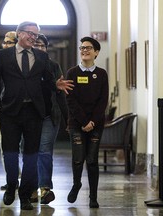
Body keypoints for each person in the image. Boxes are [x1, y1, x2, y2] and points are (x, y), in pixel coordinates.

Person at [0, 21, 73, 210]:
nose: (33, 38)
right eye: (30, 34)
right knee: (10, 154)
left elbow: (48, 82)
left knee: (31, 156)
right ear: (19, 34)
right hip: (9, 112)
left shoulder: (41, 57)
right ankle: (11, 185)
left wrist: (56, 86)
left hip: (34, 112)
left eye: (36, 35)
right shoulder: (3, 56)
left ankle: (25, 195)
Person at [66, 36, 109, 208]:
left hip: (96, 124)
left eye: (88, 48)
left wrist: (92, 121)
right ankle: (76, 184)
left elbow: (103, 101)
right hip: (77, 123)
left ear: (96, 52)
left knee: (92, 160)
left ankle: (93, 197)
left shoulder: (102, 74)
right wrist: (84, 121)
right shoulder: (72, 73)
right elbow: (70, 100)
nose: (84, 50)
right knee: (78, 158)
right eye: (82, 47)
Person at [29, 33, 68, 204]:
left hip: (49, 115)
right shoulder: (23, 66)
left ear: (46, 48)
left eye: (42, 45)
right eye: (36, 45)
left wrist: (68, 118)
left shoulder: (53, 66)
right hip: (28, 115)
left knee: (44, 151)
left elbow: (60, 94)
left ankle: (45, 189)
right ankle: (30, 188)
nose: (39, 48)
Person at [0, 30, 20, 191]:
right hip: (5, 109)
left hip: (23, 109)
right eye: (4, 42)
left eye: (9, 42)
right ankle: (12, 178)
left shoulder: (21, 59)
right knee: (6, 148)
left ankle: (23, 178)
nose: (6, 45)